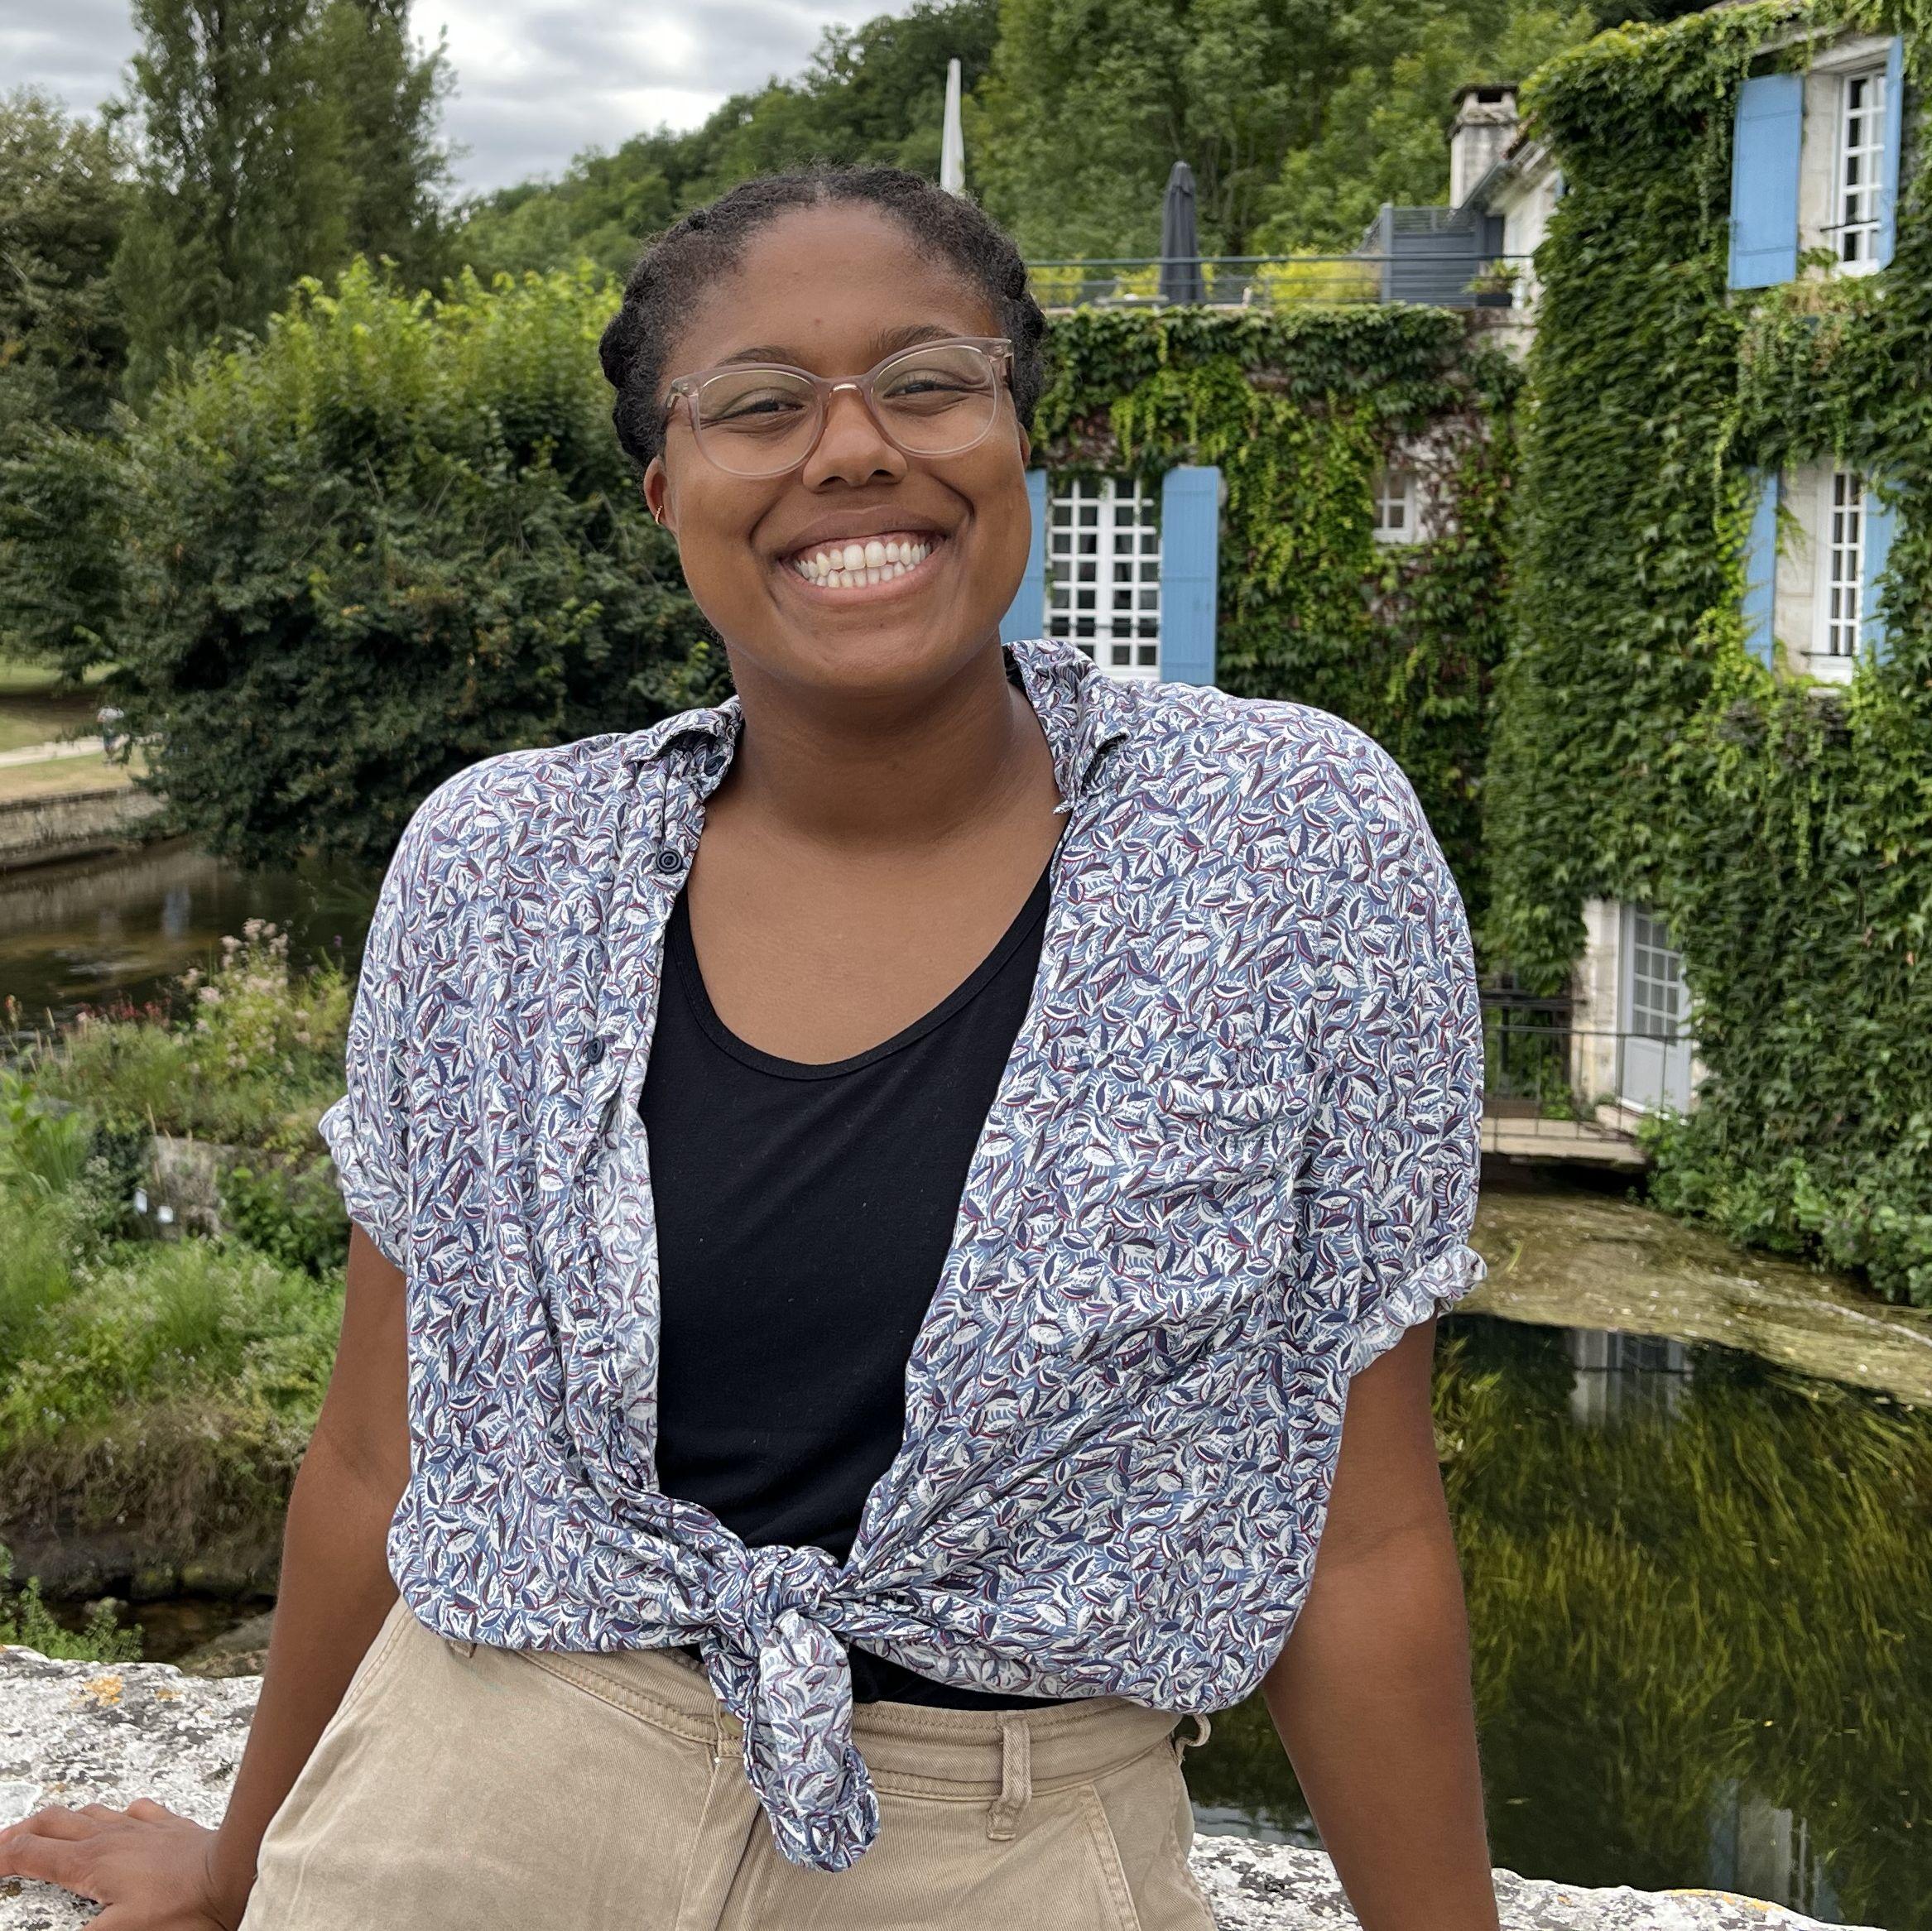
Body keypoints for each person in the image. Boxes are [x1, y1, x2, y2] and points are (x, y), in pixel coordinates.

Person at [0, 165, 1499, 1930]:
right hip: (470, 1799)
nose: (851, 449)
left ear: (1018, 433)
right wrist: (238, 1863)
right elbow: (372, 1455)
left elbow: (1360, 1535)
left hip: (1008, 1848)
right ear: (667, 487)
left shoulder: (1293, 847)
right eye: (761, 405)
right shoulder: (498, 870)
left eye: (925, 382)